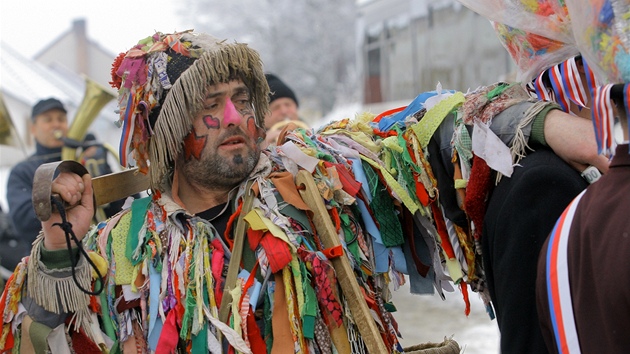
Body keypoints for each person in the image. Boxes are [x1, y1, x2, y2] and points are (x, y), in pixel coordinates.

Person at [0, 29, 609, 353]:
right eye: (210, 106)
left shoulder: (312, 176)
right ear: (165, 134)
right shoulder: (120, 250)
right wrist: (59, 253)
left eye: (243, 99)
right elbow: (36, 341)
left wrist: (546, 126)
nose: (237, 116)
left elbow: (435, 128)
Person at [4, 99, 126, 272]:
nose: (56, 124)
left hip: (102, 258)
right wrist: (58, 201)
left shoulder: (84, 160)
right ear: (33, 129)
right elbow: (23, 221)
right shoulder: (22, 171)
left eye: (61, 119)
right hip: (48, 265)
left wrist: (103, 176)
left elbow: (123, 208)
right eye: (48, 120)